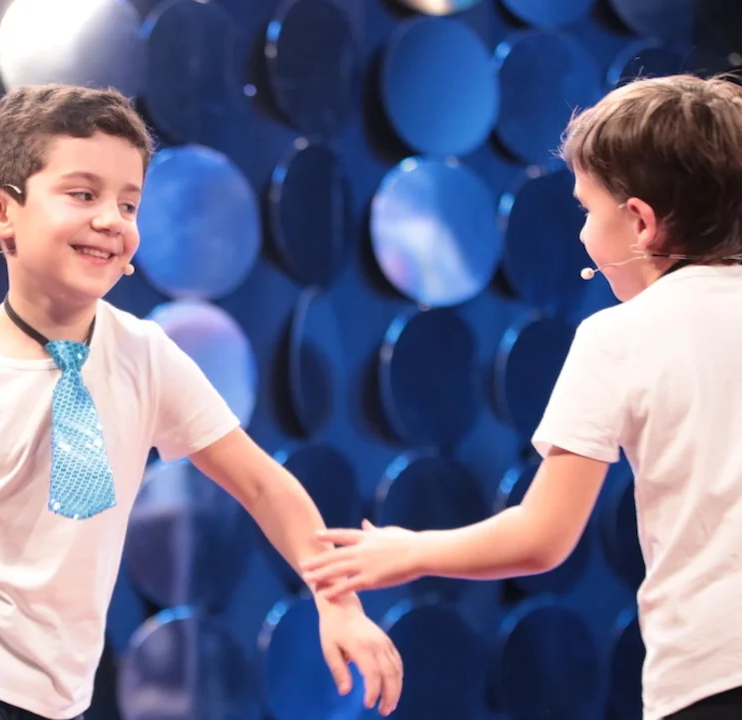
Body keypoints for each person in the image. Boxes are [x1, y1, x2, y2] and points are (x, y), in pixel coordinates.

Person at [0, 84, 404, 720]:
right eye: (82, 194)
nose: (111, 220)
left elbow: (263, 484)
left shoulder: (145, 354)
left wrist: (337, 600)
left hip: (57, 691)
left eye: (129, 204)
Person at [300, 73, 742, 720]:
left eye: (588, 210)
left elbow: (541, 537)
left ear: (640, 222)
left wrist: (408, 550)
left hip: (712, 675)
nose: (583, 235)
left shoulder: (618, 336)